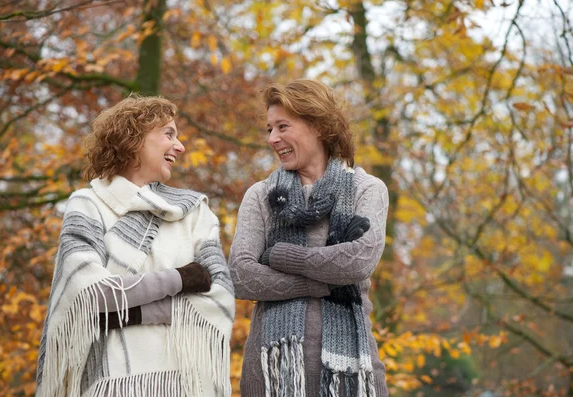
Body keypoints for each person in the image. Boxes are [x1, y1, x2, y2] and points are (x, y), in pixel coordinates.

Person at [35, 95, 235, 396]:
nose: (180, 147)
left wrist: (126, 313)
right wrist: (181, 278)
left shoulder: (195, 212)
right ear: (133, 138)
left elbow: (219, 297)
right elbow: (91, 294)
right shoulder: (88, 205)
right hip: (111, 383)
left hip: (188, 384)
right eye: (169, 134)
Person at [228, 79, 389, 397]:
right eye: (269, 129)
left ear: (318, 125)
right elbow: (240, 275)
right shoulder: (261, 196)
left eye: (283, 126)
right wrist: (321, 284)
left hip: (353, 374)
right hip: (270, 373)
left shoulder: (366, 189)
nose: (273, 138)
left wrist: (280, 256)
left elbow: (357, 261)